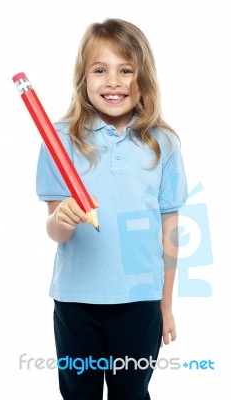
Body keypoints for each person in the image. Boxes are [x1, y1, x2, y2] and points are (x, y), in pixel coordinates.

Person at [36, 18, 188, 400]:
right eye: (99, 70)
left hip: (140, 303)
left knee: (132, 393)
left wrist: (166, 305)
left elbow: (169, 231)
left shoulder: (163, 143)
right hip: (75, 303)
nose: (113, 81)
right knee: (78, 393)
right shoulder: (60, 139)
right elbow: (54, 231)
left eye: (125, 70)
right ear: (83, 78)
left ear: (143, 80)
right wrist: (62, 219)